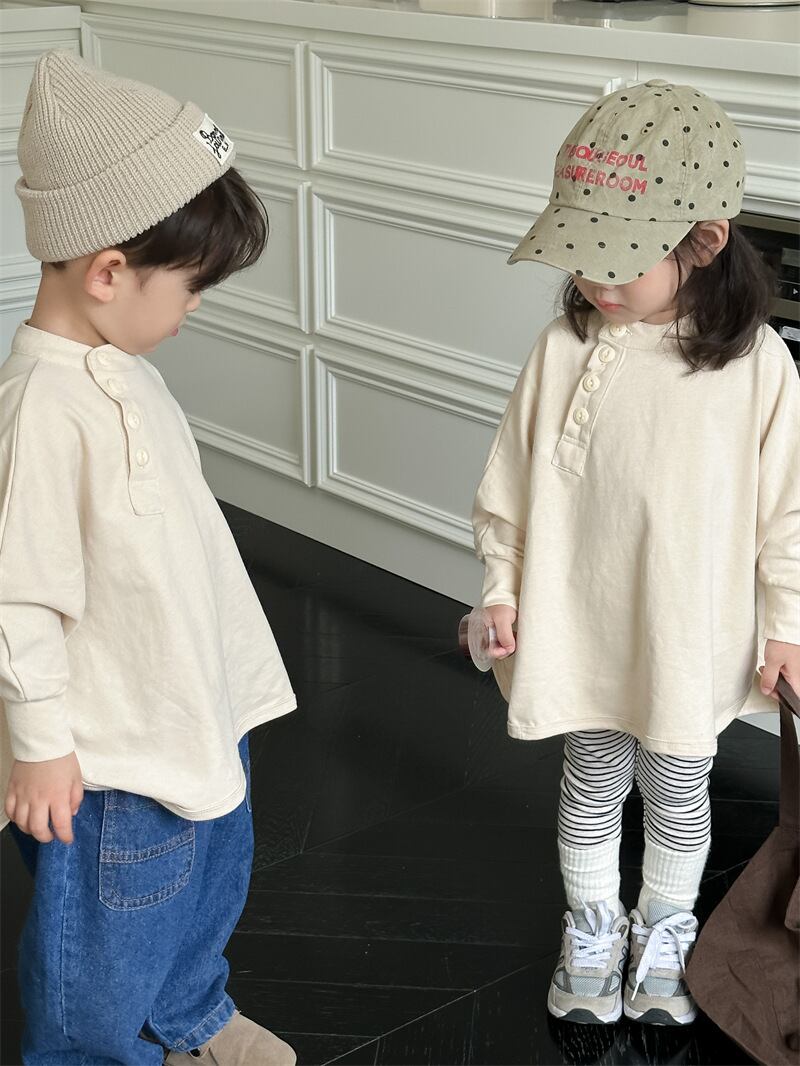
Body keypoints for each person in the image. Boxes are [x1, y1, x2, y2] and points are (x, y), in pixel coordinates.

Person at [472, 78, 800, 1027]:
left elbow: (788, 514)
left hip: (689, 632)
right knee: (590, 776)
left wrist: (786, 624)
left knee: (678, 785)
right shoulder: (564, 348)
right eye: (581, 261)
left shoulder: (758, 367)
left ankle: (664, 931)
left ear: (704, 242)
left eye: (617, 263)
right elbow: (508, 488)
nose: (596, 285)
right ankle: (591, 927)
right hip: (581, 620)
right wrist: (501, 587)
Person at [0, 50, 297, 1064]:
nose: (196, 305)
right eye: (191, 285)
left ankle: (191, 1016)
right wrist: (41, 743)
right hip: (116, 750)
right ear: (108, 271)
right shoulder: (42, 412)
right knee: (105, 944)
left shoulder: (120, 365)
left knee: (206, 884)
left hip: (196, 703)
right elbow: (18, 599)